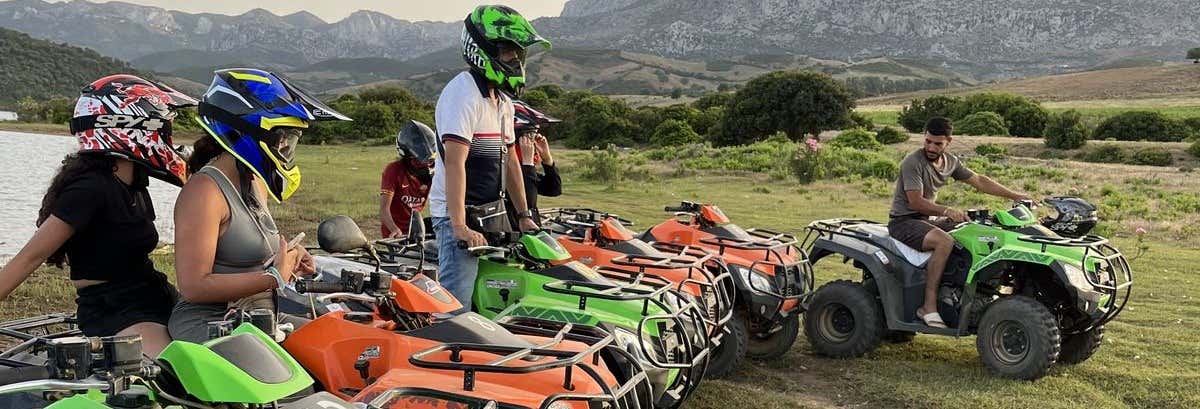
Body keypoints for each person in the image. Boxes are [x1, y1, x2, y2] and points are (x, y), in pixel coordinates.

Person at [0, 75, 196, 356]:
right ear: (131, 126)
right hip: (113, 308)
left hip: (153, 291)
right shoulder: (90, 188)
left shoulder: (134, 181)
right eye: (166, 129)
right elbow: (29, 257)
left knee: (217, 350)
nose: (170, 138)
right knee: (176, 369)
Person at [168, 68, 351, 342]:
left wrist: (291, 256)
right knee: (298, 385)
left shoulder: (255, 181)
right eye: (282, 139)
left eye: (290, 142)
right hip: (211, 321)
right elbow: (194, 286)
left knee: (344, 343)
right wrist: (274, 277)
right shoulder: (204, 191)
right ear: (248, 130)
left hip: (259, 314)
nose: (285, 149)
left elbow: (253, 252)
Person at [428, 5, 550, 314]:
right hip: (460, 215)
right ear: (482, 50)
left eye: (519, 55)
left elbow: (509, 160)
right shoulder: (463, 95)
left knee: (494, 300)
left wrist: (523, 214)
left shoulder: (502, 102)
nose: (516, 61)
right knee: (457, 309)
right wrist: (458, 225)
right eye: (509, 52)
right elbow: (456, 162)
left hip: (489, 214)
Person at [888, 117, 1031, 328]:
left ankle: (961, 294)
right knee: (944, 241)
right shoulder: (913, 162)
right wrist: (946, 210)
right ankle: (928, 306)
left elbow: (979, 181)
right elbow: (916, 202)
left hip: (926, 220)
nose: (931, 147)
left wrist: (1015, 195)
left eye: (937, 143)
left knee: (974, 231)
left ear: (949, 142)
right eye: (928, 141)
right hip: (904, 222)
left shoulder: (950, 162)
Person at [506, 99, 562, 226]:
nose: (533, 143)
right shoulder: (501, 171)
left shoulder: (526, 171)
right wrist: (527, 163)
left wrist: (548, 160)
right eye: (530, 137)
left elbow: (554, 190)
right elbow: (528, 203)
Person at [380, 120, 436, 238]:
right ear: (407, 158)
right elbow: (384, 210)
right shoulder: (394, 171)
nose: (425, 165)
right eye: (419, 161)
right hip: (395, 231)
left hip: (416, 229)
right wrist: (394, 230)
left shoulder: (434, 170)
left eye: (429, 160)